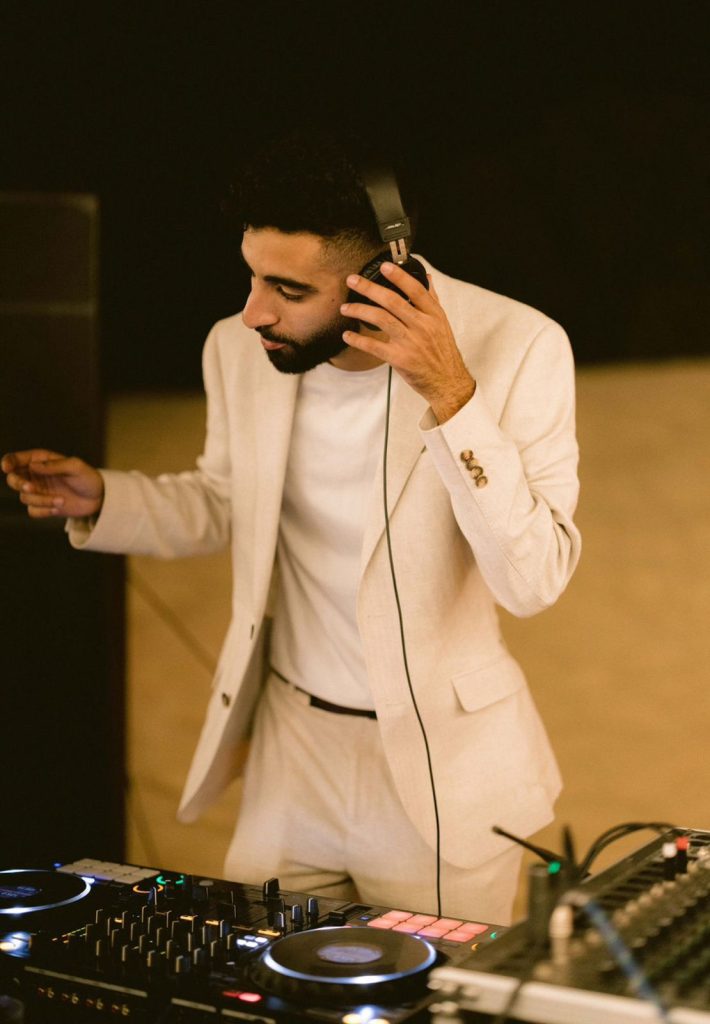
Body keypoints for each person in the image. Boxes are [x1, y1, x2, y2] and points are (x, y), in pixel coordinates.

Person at [1, 131, 581, 925]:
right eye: (251, 276)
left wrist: (451, 394)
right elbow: (227, 500)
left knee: (433, 986)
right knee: (255, 975)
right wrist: (104, 498)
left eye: (288, 289)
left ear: (386, 278)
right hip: (291, 755)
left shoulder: (522, 345)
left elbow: (535, 578)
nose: (254, 312)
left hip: (442, 769)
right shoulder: (235, 349)